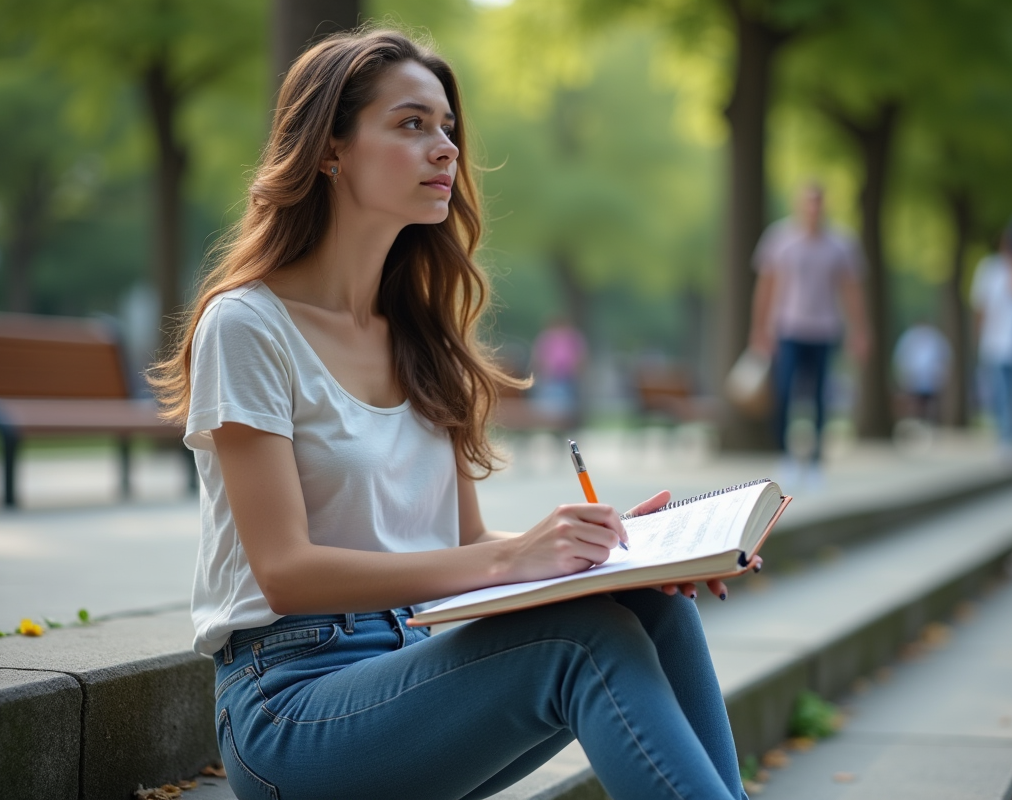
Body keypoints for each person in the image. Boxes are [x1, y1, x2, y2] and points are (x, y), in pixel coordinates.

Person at [149, 30, 749, 800]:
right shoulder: (247, 326)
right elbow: (286, 573)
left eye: (447, 128)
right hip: (290, 703)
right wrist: (511, 560)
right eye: (411, 124)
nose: (446, 149)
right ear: (331, 149)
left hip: (414, 667)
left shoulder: (422, 338)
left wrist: (619, 552)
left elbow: (464, 544)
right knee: (581, 639)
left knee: (646, 607)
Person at [749, 182, 870, 485]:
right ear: (799, 205)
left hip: (825, 330)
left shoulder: (841, 243)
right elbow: (766, 286)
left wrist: (860, 330)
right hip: (787, 328)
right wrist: (759, 329)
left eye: (818, 203)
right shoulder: (779, 239)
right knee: (783, 393)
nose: (813, 209)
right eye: (808, 203)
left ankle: (816, 462)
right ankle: (786, 456)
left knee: (819, 397)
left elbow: (851, 290)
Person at [970, 232, 1012, 458]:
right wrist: (978, 337)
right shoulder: (990, 269)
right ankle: (1007, 438)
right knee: (1001, 395)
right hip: (995, 344)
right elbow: (981, 306)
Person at [892, 320, 952, 425]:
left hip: (932, 383)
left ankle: (930, 423)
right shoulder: (910, 338)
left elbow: (945, 358)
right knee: (917, 406)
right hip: (914, 383)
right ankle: (918, 423)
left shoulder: (934, 337)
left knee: (930, 407)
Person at [530, 316, 586, 426]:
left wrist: (576, 370)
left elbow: (580, 357)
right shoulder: (547, 337)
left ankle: (566, 423)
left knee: (567, 402)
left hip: (567, 376)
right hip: (550, 376)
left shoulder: (573, 338)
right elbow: (539, 357)